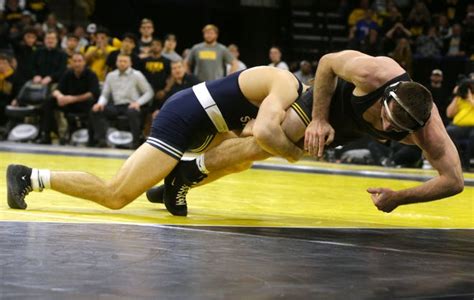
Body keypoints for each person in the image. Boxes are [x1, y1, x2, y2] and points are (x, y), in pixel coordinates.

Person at [147, 50, 463, 216]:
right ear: (386, 97)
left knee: (252, 151)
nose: (387, 128)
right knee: (264, 143)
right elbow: (326, 63)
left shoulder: (428, 128)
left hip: (352, 128)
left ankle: (186, 175)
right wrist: (320, 119)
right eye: (387, 117)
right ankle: (188, 173)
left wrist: (400, 197)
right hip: (329, 100)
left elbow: (454, 181)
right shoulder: (372, 73)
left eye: (397, 130)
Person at [6, 66, 305, 218]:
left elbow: (248, 134)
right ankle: (29, 177)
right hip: (185, 116)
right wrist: (295, 152)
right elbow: (263, 132)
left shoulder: (291, 105)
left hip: (210, 126)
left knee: (241, 160)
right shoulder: (286, 85)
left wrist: (254, 133)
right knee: (116, 195)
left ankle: (175, 183)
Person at [90, 54, 153, 148]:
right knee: (96, 110)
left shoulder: (137, 75)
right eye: (120, 61)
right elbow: (105, 94)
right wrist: (99, 104)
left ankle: (135, 142)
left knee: (133, 113)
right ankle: (101, 140)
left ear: (130, 63)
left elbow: (149, 92)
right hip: (116, 106)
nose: (122, 63)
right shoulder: (111, 75)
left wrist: (138, 103)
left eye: (125, 61)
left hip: (131, 106)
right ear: (116, 62)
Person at [38, 53, 100, 144]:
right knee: (48, 102)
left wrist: (72, 99)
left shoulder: (91, 74)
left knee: (92, 103)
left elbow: (92, 93)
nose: (77, 64)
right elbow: (57, 90)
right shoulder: (68, 73)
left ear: (84, 62)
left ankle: (92, 139)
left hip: (84, 104)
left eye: (79, 61)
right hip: (68, 103)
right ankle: (47, 135)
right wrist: (60, 97)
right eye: (74, 61)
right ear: (71, 63)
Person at [445, 79, 474, 170]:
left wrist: (470, 99)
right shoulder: (459, 99)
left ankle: (467, 161)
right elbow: (449, 114)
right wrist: (456, 96)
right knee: (448, 131)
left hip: (472, 127)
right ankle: (458, 160)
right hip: (460, 127)